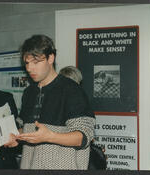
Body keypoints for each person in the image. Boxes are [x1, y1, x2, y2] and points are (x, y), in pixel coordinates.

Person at [5, 34, 95, 170]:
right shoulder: (29, 92)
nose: (29, 68)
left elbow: (83, 136)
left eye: (35, 62)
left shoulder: (71, 90)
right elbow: (28, 128)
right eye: (27, 63)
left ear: (50, 58)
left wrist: (50, 136)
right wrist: (14, 137)